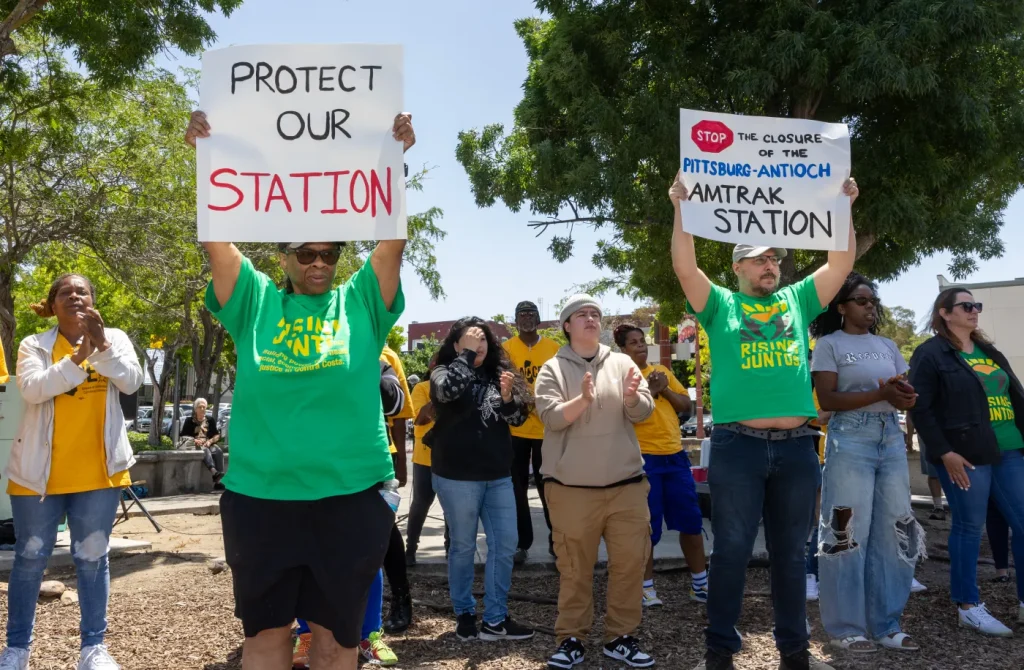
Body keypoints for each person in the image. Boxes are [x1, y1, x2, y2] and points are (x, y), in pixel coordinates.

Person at [184, 109, 415, 670]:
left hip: (351, 494)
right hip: (262, 495)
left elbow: (390, 245)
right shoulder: (255, 300)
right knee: (267, 638)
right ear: (283, 256)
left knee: (337, 639)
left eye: (330, 253)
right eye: (306, 253)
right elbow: (217, 243)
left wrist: (394, 160)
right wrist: (205, 158)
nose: (319, 263)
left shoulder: (359, 301)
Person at [670, 170, 860, 670]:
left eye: (775, 257)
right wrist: (681, 210)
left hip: (799, 446)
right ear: (739, 266)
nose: (771, 264)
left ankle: (795, 652)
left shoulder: (797, 300)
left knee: (792, 555)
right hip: (738, 447)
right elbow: (685, 266)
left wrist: (843, 208)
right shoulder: (719, 305)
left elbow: (841, 261)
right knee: (731, 552)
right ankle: (718, 653)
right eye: (760, 258)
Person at [0, 274, 143, 670]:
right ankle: (16, 650)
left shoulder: (115, 338)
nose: (75, 296)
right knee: (29, 558)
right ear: (53, 304)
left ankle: (93, 650)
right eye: (66, 292)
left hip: (100, 473)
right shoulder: (35, 344)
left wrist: (102, 346)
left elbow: (131, 381)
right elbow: (32, 390)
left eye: (82, 291)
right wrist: (80, 356)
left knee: (93, 557)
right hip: (36, 475)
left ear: (94, 301)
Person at [536, 296, 657, 670]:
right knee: (574, 569)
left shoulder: (622, 363)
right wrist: (583, 401)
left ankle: (620, 637)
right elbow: (552, 418)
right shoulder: (552, 368)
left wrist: (633, 398)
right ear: (567, 326)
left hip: (626, 486)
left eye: (595, 314)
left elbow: (644, 412)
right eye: (581, 314)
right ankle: (571, 638)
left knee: (629, 565)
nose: (590, 318)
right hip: (572, 491)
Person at [809, 273, 923, 653]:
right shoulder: (829, 345)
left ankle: (886, 624)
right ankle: (845, 628)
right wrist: (880, 392)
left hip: (889, 436)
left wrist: (906, 398)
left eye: (873, 300)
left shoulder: (889, 345)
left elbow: (901, 394)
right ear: (841, 307)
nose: (870, 306)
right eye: (861, 300)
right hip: (850, 437)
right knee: (846, 530)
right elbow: (827, 400)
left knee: (896, 529)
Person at [909, 287, 1024, 637]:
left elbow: (1014, 395)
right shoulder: (930, 354)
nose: (975, 311)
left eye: (977, 305)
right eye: (966, 306)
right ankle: (968, 606)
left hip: (1010, 449)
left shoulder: (989, 351)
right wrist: (944, 452)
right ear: (945, 313)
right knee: (969, 528)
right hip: (964, 455)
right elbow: (920, 407)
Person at [294, 360, 406, 669]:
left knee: (367, 558)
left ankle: (369, 635)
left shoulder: (380, 362)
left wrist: (362, 361)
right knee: (307, 554)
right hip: (310, 470)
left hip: (365, 473)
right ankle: (305, 635)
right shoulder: (304, 354)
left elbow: (394, 402)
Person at [429, 317, 535, 642]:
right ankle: (463, 614)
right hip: (456, 476)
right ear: (456, 344)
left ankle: (495, 619)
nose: (479, 345)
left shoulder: (500, 373)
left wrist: (506, 398)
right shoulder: (442, 371)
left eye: (483, 340)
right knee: (462, 547)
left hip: (498, 475)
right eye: (471, 339)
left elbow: (518, 418)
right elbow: (447, 393)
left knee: (504, 546)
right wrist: (465, 357)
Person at [613, 324, 707, 607]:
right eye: (633, 342)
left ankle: (700, 585)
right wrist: (650, 392)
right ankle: (646, 588)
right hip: (644, 460)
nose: (640, 346)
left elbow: (685, 407)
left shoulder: (661, 372)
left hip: (675, 457)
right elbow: (624, 417)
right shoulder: (621, 379)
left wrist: (663, 389)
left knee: (691, 522)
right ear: (623, 349)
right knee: (647, 527)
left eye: (642, 341)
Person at [503, 301, 561, 563]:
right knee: (516, 488)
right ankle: (520, 543)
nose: (526, 318)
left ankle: (557, 540)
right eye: (521, 314)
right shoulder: (506, 349)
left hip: (547, 429)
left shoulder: (553, 348)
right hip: (515, 429)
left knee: (549, 487)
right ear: (515, 320)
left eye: (531, 314)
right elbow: (504, 382)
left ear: (539, 319)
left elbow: (562, 382)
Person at [379, 345, 414, 634]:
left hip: (380, 454)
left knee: (384, 529)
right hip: (327, 457)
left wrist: (402, 459)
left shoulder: (387, 356)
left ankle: (401, 599)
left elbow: (400, 413)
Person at [405, 355, 450, 564]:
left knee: (452, 507)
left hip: (451, 457)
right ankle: (411, 548)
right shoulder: (421, 388)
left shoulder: (457, 388)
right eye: (437, 366)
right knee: (420, 505)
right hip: (425, 458)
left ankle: (451, 549)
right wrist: (441, 395)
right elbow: (421, 417)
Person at [179, 397, 226, 489]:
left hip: (208, 443)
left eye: (204, 407)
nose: (202, 409)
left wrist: (210, 441)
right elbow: (183, 435)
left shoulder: (210, 420)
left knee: (218, 451)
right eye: (200, 407)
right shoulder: (189, 421)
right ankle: (214, 472)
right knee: (205, 451)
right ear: (195, 409)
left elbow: (217, 435)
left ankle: (219, 482)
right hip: (194, 444)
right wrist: (195, 440)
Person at [906, 414, 946, 520]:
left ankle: (940, 507)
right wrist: (909, 438)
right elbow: (911, 413)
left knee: (937, 472)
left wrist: (910, 438)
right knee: (933, 472)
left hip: (946, 430)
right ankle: (938, 507)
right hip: (928, 433)